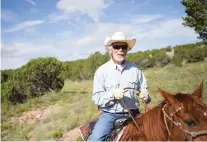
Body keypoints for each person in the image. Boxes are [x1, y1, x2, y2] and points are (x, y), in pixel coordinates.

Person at [90, 32, 151, 141]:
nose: (120, 50)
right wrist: (112, 94)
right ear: (111, 49)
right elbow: (96, 98)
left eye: (123, 47)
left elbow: (144, 89)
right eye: (117, 46)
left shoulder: (135, 69)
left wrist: (145, 95)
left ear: (127, 49)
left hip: (134, 113)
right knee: (95, 140)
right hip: (110, 115)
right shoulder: (101, 71)